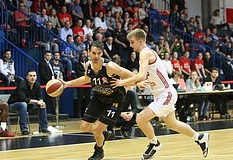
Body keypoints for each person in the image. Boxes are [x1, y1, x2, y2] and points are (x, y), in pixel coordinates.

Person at [111, 29, 209, 159]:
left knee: (140, 118)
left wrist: (122, 82)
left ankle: (154, 143)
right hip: (161, 94)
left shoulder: (145, 53)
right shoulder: (145, 55)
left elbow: (140, 75)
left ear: (140, 41)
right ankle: (200, 137)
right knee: (172, 124)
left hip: (165, 94)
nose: (131, 45)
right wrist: (137, 83)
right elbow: (142, 78)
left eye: (132, 42)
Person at [60, 41, 134, 160]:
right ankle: (103, 133)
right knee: (84, 127)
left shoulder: (110, 66)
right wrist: (67, 84)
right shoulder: (88, 65)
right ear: (89, 52)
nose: (96, 56)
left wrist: (133, 82)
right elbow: (86, 78)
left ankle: (99, 151)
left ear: (102, 53)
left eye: (99, 53)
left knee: (96, 130)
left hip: (115, 100)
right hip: (99, 98)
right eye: (93, 53)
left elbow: (129, 74)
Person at [8, 70, 50, 135]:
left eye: (34, 76)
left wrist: (41, 101)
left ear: (36, 77)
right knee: (23, 104)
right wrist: (37, 101)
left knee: (43, 104)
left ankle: (43, 127)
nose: (32, 78)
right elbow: (23, 99)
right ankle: (24, 129)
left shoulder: (37, 85)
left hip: (27, 105)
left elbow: (40, 96)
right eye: (30, 76)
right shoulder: (22, 84)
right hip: (13, 105)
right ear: (27, 77)